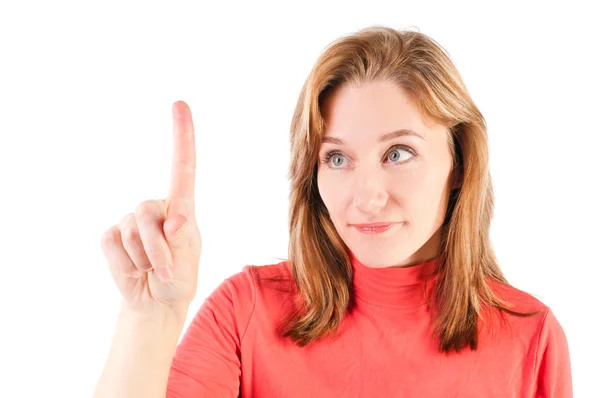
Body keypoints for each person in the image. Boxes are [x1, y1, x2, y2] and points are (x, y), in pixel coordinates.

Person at [93, 26, 573, 397]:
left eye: (398, 152)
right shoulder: (247, 313)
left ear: (459, 162)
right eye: (337, 158)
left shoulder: (530, 338)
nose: (365, 197)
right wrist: (151, 317)